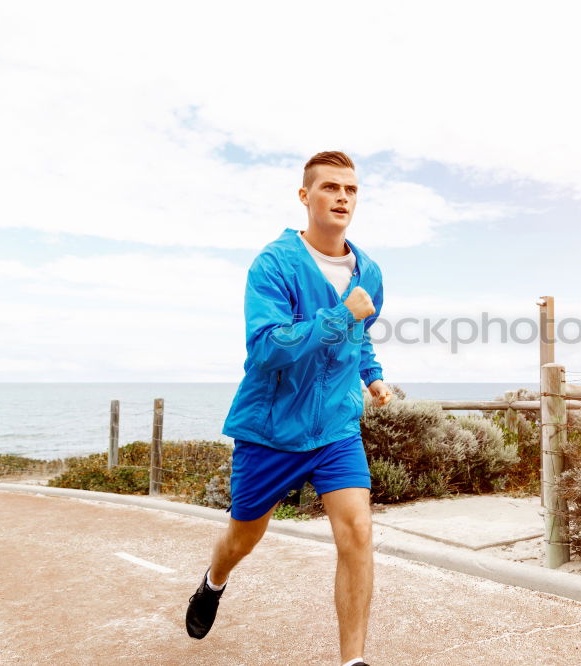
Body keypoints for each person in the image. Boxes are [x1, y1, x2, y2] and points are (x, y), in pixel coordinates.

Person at [186, 150, 391, 666]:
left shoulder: (370, 273)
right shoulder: (273, 264)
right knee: (243, 536)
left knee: (358, 532)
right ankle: (213, 582)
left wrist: (373, 376)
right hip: (271, 432)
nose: (342, 197)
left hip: (335, 429)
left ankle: (352, 662)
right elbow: (267, 347)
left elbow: (359, 338)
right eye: (329, 188)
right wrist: (342, 314)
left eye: (350, 189)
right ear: (306, 196)